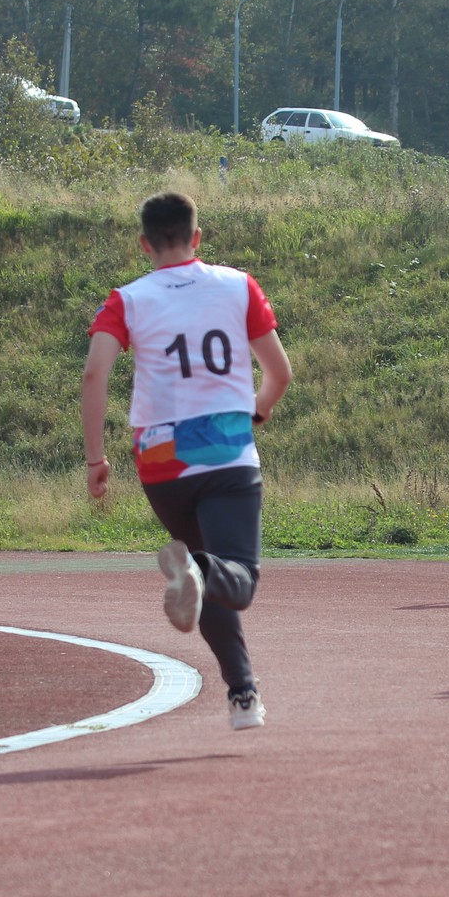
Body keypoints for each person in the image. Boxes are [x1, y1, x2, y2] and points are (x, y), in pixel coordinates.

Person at [81, 192, 293, 731]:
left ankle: (243, 692)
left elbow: (94, 376)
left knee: (207, 578)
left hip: (159, 456)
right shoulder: (236, 285)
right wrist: (258, 413)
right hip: (222, 447)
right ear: (197, 237)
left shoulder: (125, 300)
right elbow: (279, 373)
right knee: (236, 576)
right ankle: (196, 571)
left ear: (144, 243)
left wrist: (95, 460)